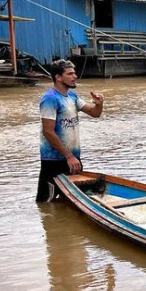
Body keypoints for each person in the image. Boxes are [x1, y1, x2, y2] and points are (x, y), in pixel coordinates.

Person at [37, 59, 104, 202]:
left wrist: (99, 105)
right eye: (70, 74)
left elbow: (94, 113)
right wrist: (69, 157)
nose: (75, 76)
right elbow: (48, 131)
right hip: (54, 160)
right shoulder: (50, 99)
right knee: (47, 202)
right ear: (58, 77)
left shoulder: (72, 97)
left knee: (72, 202)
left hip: (73, 158)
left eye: (75, 73)